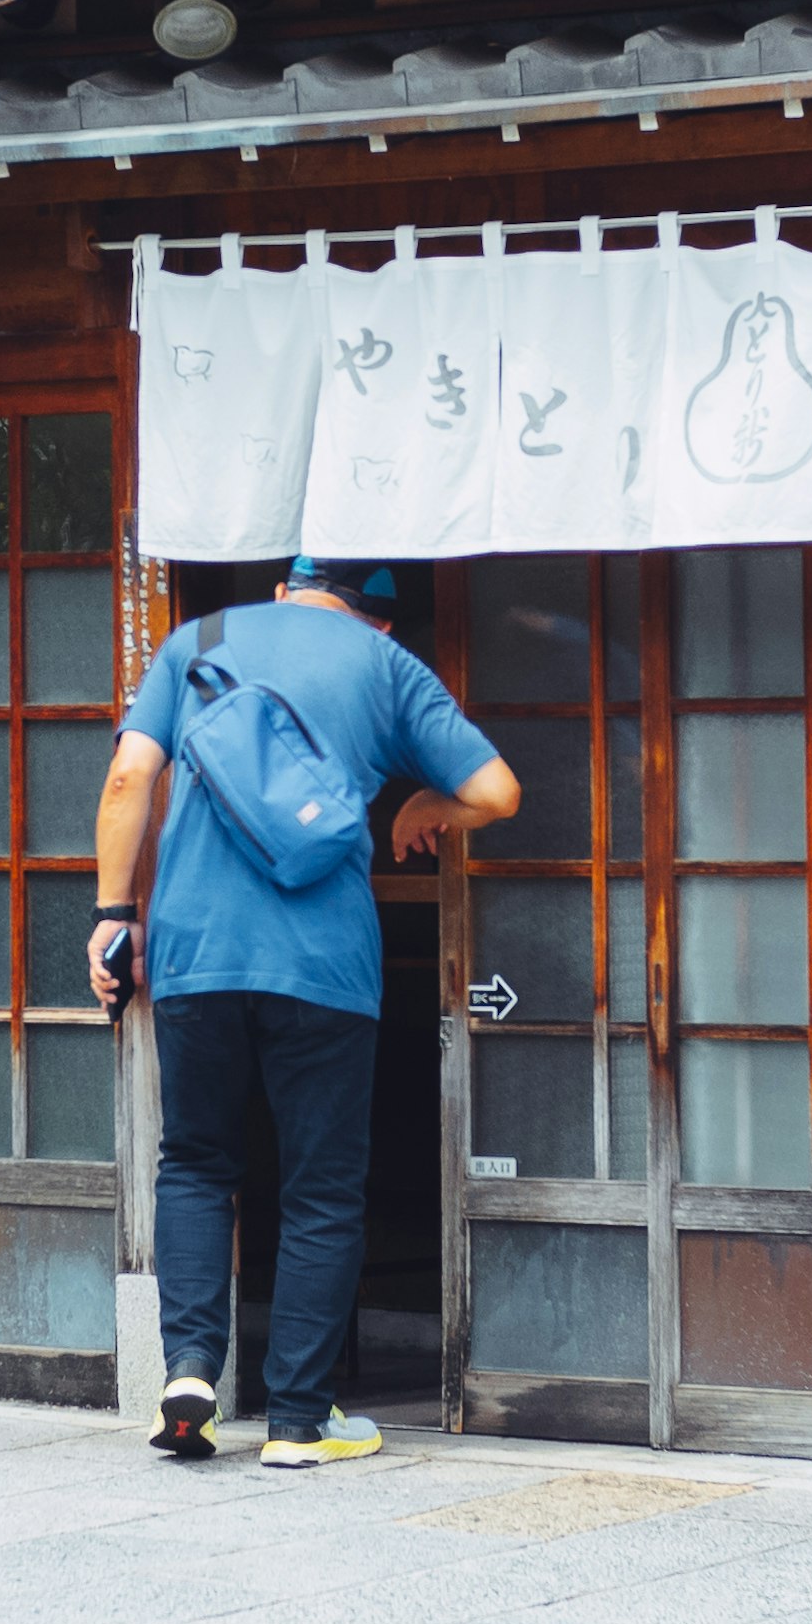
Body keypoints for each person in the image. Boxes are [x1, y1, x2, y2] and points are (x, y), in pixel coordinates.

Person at [90, 558, 520, 1468]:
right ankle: (298, 1422)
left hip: (196, 954)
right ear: (383, 620)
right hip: (325, 965)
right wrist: (426, 805)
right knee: (321, 1187)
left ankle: (192, 1377)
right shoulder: (384, 665)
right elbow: (497, 792)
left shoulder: (197, 642)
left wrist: (112, 916)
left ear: (285, 588)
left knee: (198, 1164)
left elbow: (130, 780)